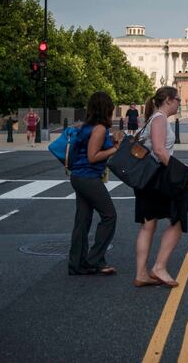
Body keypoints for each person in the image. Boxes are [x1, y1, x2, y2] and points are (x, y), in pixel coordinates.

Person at [134, 86, 188, 288]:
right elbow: (160, 151)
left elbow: (156, 150)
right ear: (169, 100)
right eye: (178, 99)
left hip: (147, 178)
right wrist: (182, 171)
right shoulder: (160, 119)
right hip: (158, 178)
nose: (180, 103)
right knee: (178, 218)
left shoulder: (153, 119)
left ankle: (141, 273)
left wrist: (180, 164)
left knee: (148, 225)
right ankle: (159, 267)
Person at [68, 92, 122, 276]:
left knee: (82, 221)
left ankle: (77, 264)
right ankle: (96, 259)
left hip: (78, 176)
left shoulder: (87, 126)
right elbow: (93, 156)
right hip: (88, 177)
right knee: (109, 216)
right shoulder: (98, 129)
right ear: (105, 108)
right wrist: (115, 149)